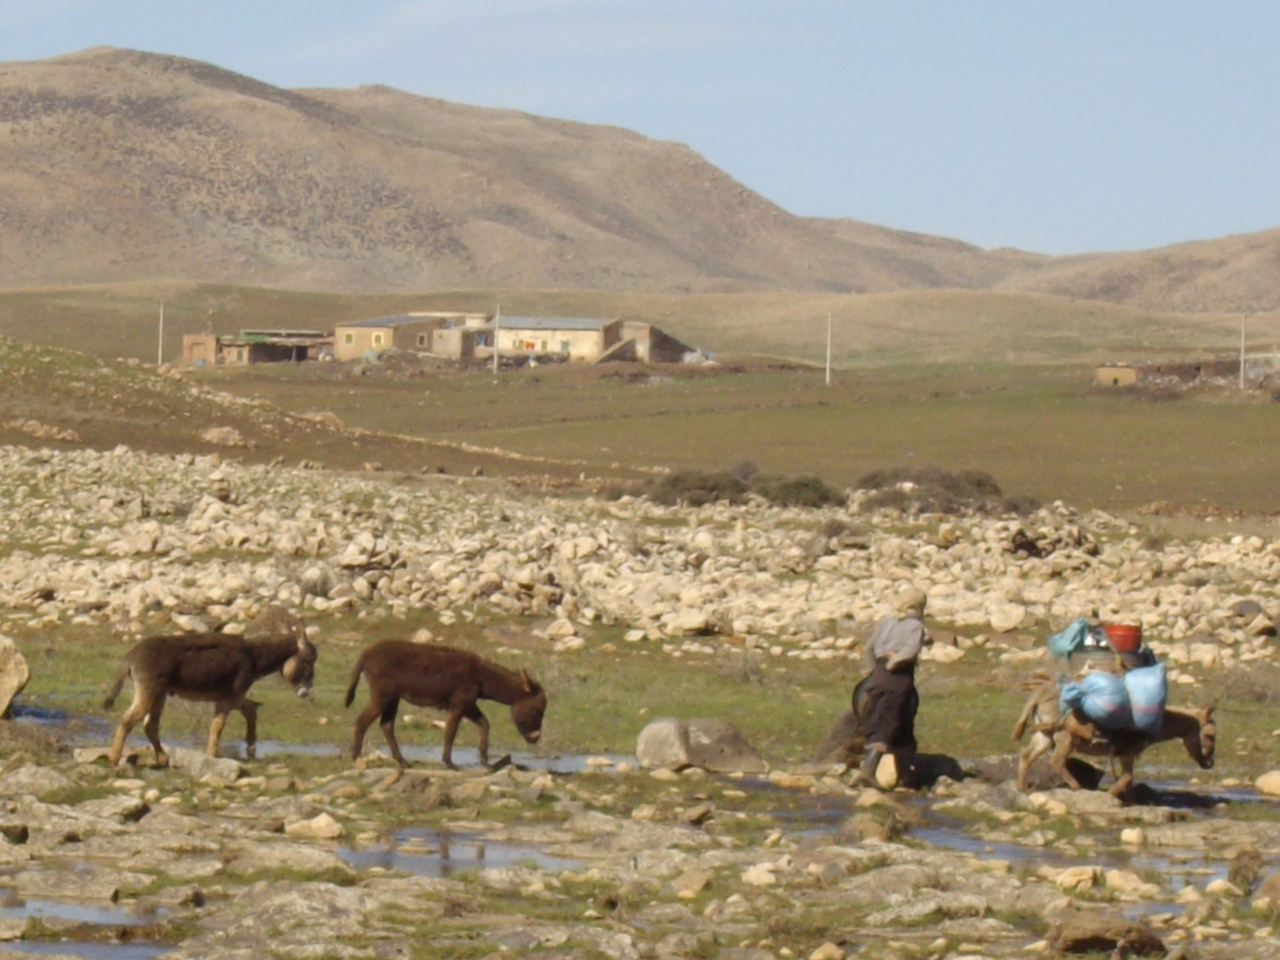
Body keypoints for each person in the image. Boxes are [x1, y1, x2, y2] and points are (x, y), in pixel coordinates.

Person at [852, 584, 930, 787]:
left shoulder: (886, 620)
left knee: (877, 717)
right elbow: (910, 651)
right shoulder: (915, 626)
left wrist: (876, 669)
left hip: (877, 673)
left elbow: (869, 647)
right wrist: (894, 663)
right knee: (888, 719)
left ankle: (904, 773)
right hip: (898, 676)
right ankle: (868, 772)